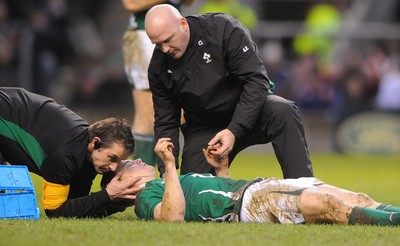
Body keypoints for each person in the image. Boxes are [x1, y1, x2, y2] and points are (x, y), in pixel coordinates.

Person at [144, 4, 313, 178]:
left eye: (168, 40)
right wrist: (166, 172)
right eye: (158, 44)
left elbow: (256, 81)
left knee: (283, 110)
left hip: (248, 112)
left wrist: (234, 130)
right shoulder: (158, 67)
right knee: (191, 194)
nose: (165, 49)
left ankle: (303, 189)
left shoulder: (222, 29)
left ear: (183, 24)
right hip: (205, 129)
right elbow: (166, 121)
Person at [119, 138, 400, 226]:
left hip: (256, 186)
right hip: (248, 202)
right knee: (329, 205)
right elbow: (173, 217)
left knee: (360, 198)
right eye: (130, 164)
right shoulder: (145, 198)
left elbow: (214, 194)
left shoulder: (171, 183)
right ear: (123, 183)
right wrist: (169, 165)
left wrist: (222, 171)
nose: (139, 161)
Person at [0, 87, 141, 218]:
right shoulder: (65, 154)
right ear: (95, 143)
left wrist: (120, 201)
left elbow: (77, 207)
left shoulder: (89, 155)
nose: (114, 167)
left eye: (118, 162)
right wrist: (108, 194)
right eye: (112, 158)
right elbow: (54, 210)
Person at [121, 0, 195, 166]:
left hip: (172, 35)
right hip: (143, 34)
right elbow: (131, 4)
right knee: (146, 115)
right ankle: (142, 181)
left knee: (184, 109)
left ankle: (166, 175)